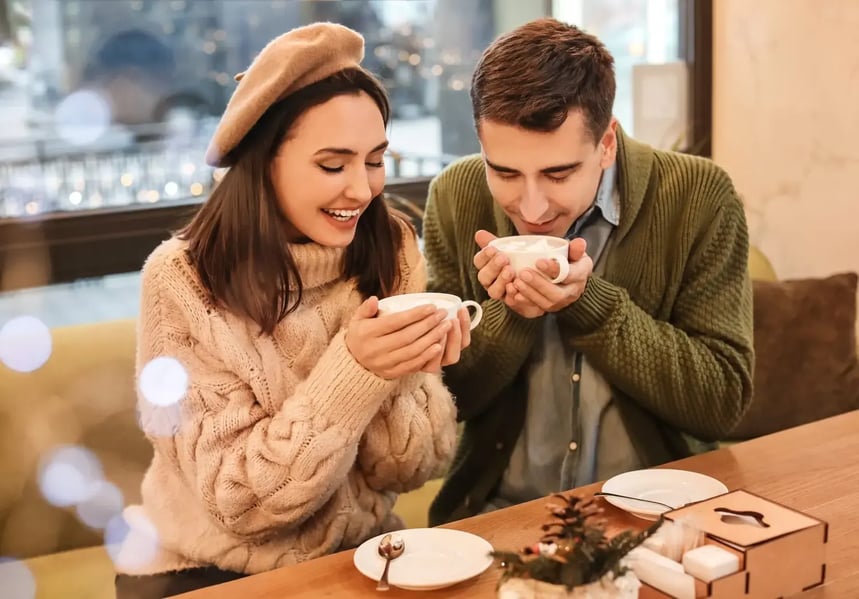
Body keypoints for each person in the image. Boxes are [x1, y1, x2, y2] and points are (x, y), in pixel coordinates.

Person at [113, 23, 465, 598]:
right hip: (199, 571)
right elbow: (242, 503)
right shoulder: (181, 282)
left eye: (375, 160)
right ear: (263, 160)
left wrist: (403, 375)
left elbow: (411, 469)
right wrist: (356, 371)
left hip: (360, 553)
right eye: (333, 165)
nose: (362, 190)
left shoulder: (390, 247)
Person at [424, 18, 753, 525]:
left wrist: (589, 304)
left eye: (558, 173)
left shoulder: (698, 197)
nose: (530, 207)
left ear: (606, 144)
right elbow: (447, 403)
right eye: (505, 172)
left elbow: (722, 401)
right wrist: (511, 313)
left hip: (661, 515)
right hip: (499, 514)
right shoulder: (455, 196)